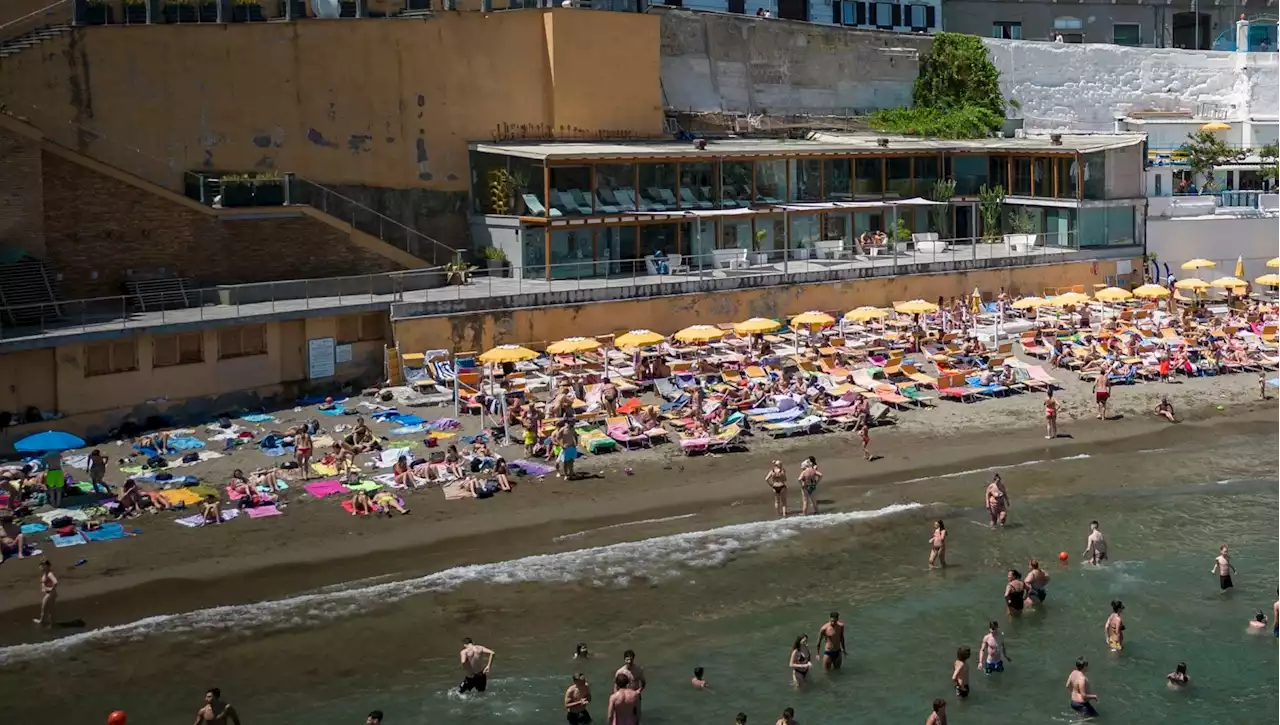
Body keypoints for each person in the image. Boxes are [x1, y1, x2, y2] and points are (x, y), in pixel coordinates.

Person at [33, 559, 57, 627]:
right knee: (46, 609)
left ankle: (51, 624)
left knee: (47, 609)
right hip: (50, 594)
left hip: (50, 594)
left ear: (46, 566)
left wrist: (50, 589)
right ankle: (44, 621)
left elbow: (55, 582)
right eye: (41, 565)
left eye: (42, 566)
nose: (40, 567)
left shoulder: (49, 574)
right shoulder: (46, 573)